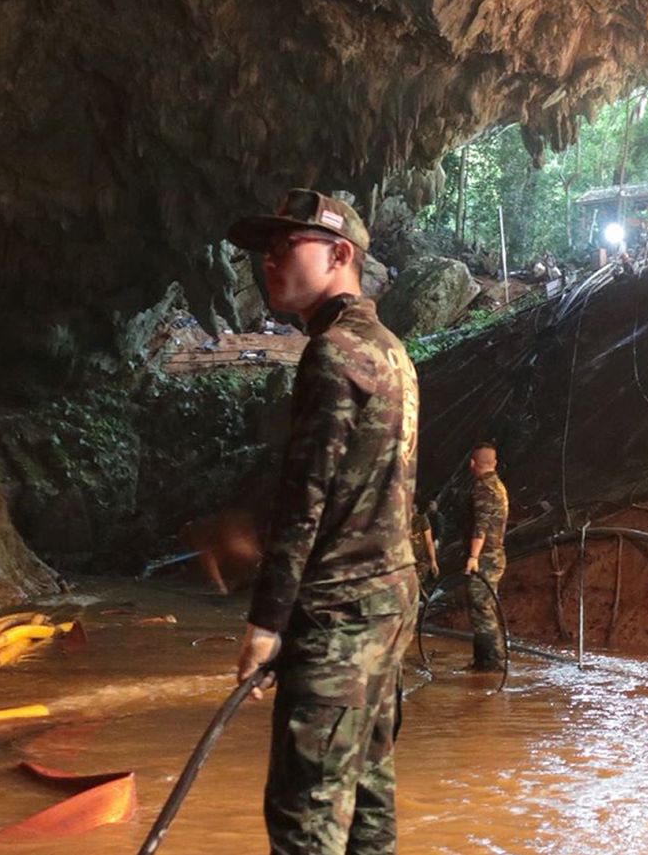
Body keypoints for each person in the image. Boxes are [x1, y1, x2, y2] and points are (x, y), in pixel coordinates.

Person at [227, 188, 420, 855]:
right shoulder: (392, 350)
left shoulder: (333, 352)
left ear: (341, 253)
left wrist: (267, 623)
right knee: (367, 803)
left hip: (338, 615)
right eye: (266, 251)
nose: (269, 262)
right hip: (388, 606)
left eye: (287, 246)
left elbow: (305, 500)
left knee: (306, 816)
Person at [463, 442, 509, 672]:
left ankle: (493, 663)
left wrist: (473, 556)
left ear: (472, 464)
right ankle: (482, 662)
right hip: (495, 554)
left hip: (486, 558)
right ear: (495, 463)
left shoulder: (483, 488)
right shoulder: (498, 486)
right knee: (485, 607)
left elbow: (480, 526)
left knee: (481, 608)